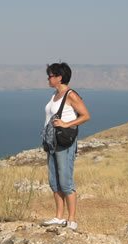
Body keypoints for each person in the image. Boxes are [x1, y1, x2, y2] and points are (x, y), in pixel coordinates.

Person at [41, 62, 90, 231]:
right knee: (54, 181)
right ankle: (59, 217)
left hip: (64, 143)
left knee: (65, 181)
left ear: (59, 77)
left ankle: (72, 219)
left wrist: (66, 123)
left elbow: (85, 115)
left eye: (50, 76)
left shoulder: (70, 94)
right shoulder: (55, 94)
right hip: (52, 143)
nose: (48, 79)